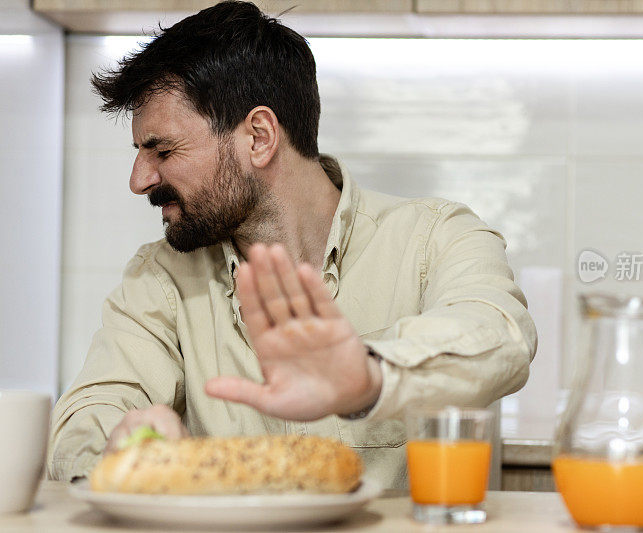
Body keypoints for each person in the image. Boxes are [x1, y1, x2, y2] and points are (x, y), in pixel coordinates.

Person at [48, 0, 537, 489]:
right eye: (140, 153)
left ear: (259, 136)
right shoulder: (161, 276)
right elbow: (88, 416)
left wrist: (368, 379)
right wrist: (118, 442)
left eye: (163, 150)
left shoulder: (435, 238)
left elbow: (502, 338)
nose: (139, 180)